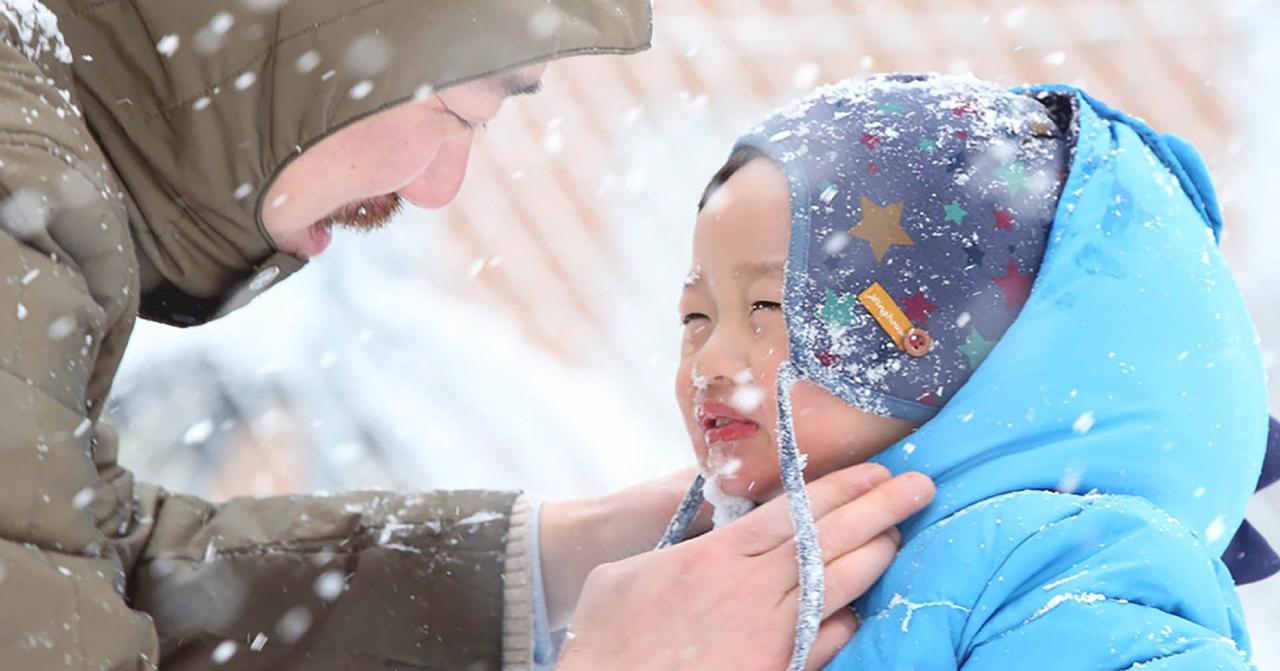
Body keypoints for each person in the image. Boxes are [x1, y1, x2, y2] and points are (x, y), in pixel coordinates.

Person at [0, 2, 935, 670]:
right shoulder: (20, 211)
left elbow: (99, 568)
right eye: (461, 111)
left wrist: (555, 558)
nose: (440, 186)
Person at [660, 73, 1279, 669]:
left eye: (770, 306)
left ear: (963, 354)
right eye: (696, 318)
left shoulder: (1049, 575)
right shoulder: (730, 572)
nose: (708, 362)